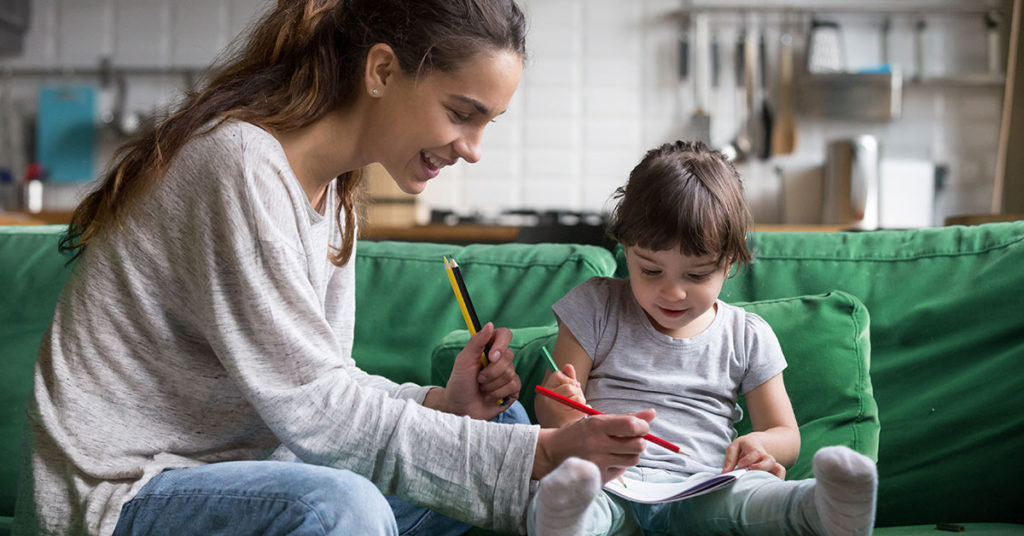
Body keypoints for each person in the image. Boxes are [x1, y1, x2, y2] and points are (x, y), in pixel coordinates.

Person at [13, 1, 657, 534]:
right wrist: (538, 456)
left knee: (499, 425)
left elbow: (325, 381)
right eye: (462, 113)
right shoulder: (239, 165)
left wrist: (442, 402)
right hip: (124, 493)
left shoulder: (338, 195)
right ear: (381, 70)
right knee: (343, 509)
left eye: (487, 123)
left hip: (256, 469)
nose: (473, 149)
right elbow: (317, 408)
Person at [531, 141, 879, 536]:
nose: (673, 292)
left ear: (729, 263)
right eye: (650, 271)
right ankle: (565, 520)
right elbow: (553, 410)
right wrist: (562, 408)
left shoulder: (747, 336)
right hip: (610, 479)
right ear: (626, 250)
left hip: (701, 486)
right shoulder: (596, 305)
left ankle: (818, 508)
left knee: (753, 497)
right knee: (571, 492)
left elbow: (787, 435)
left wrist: (762, 445)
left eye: (696, 276)